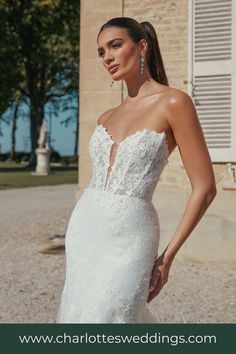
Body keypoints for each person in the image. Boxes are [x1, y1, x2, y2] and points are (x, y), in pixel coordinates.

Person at [56, 17, 217, 323]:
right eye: (102, 51)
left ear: (141, 46)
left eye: (115, 45)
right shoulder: (106, 116)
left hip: (131, 236)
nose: (108, 57)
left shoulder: (174, 102)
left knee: (117, 318)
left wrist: (167, 257)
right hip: (84, 231)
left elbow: (205, 187)